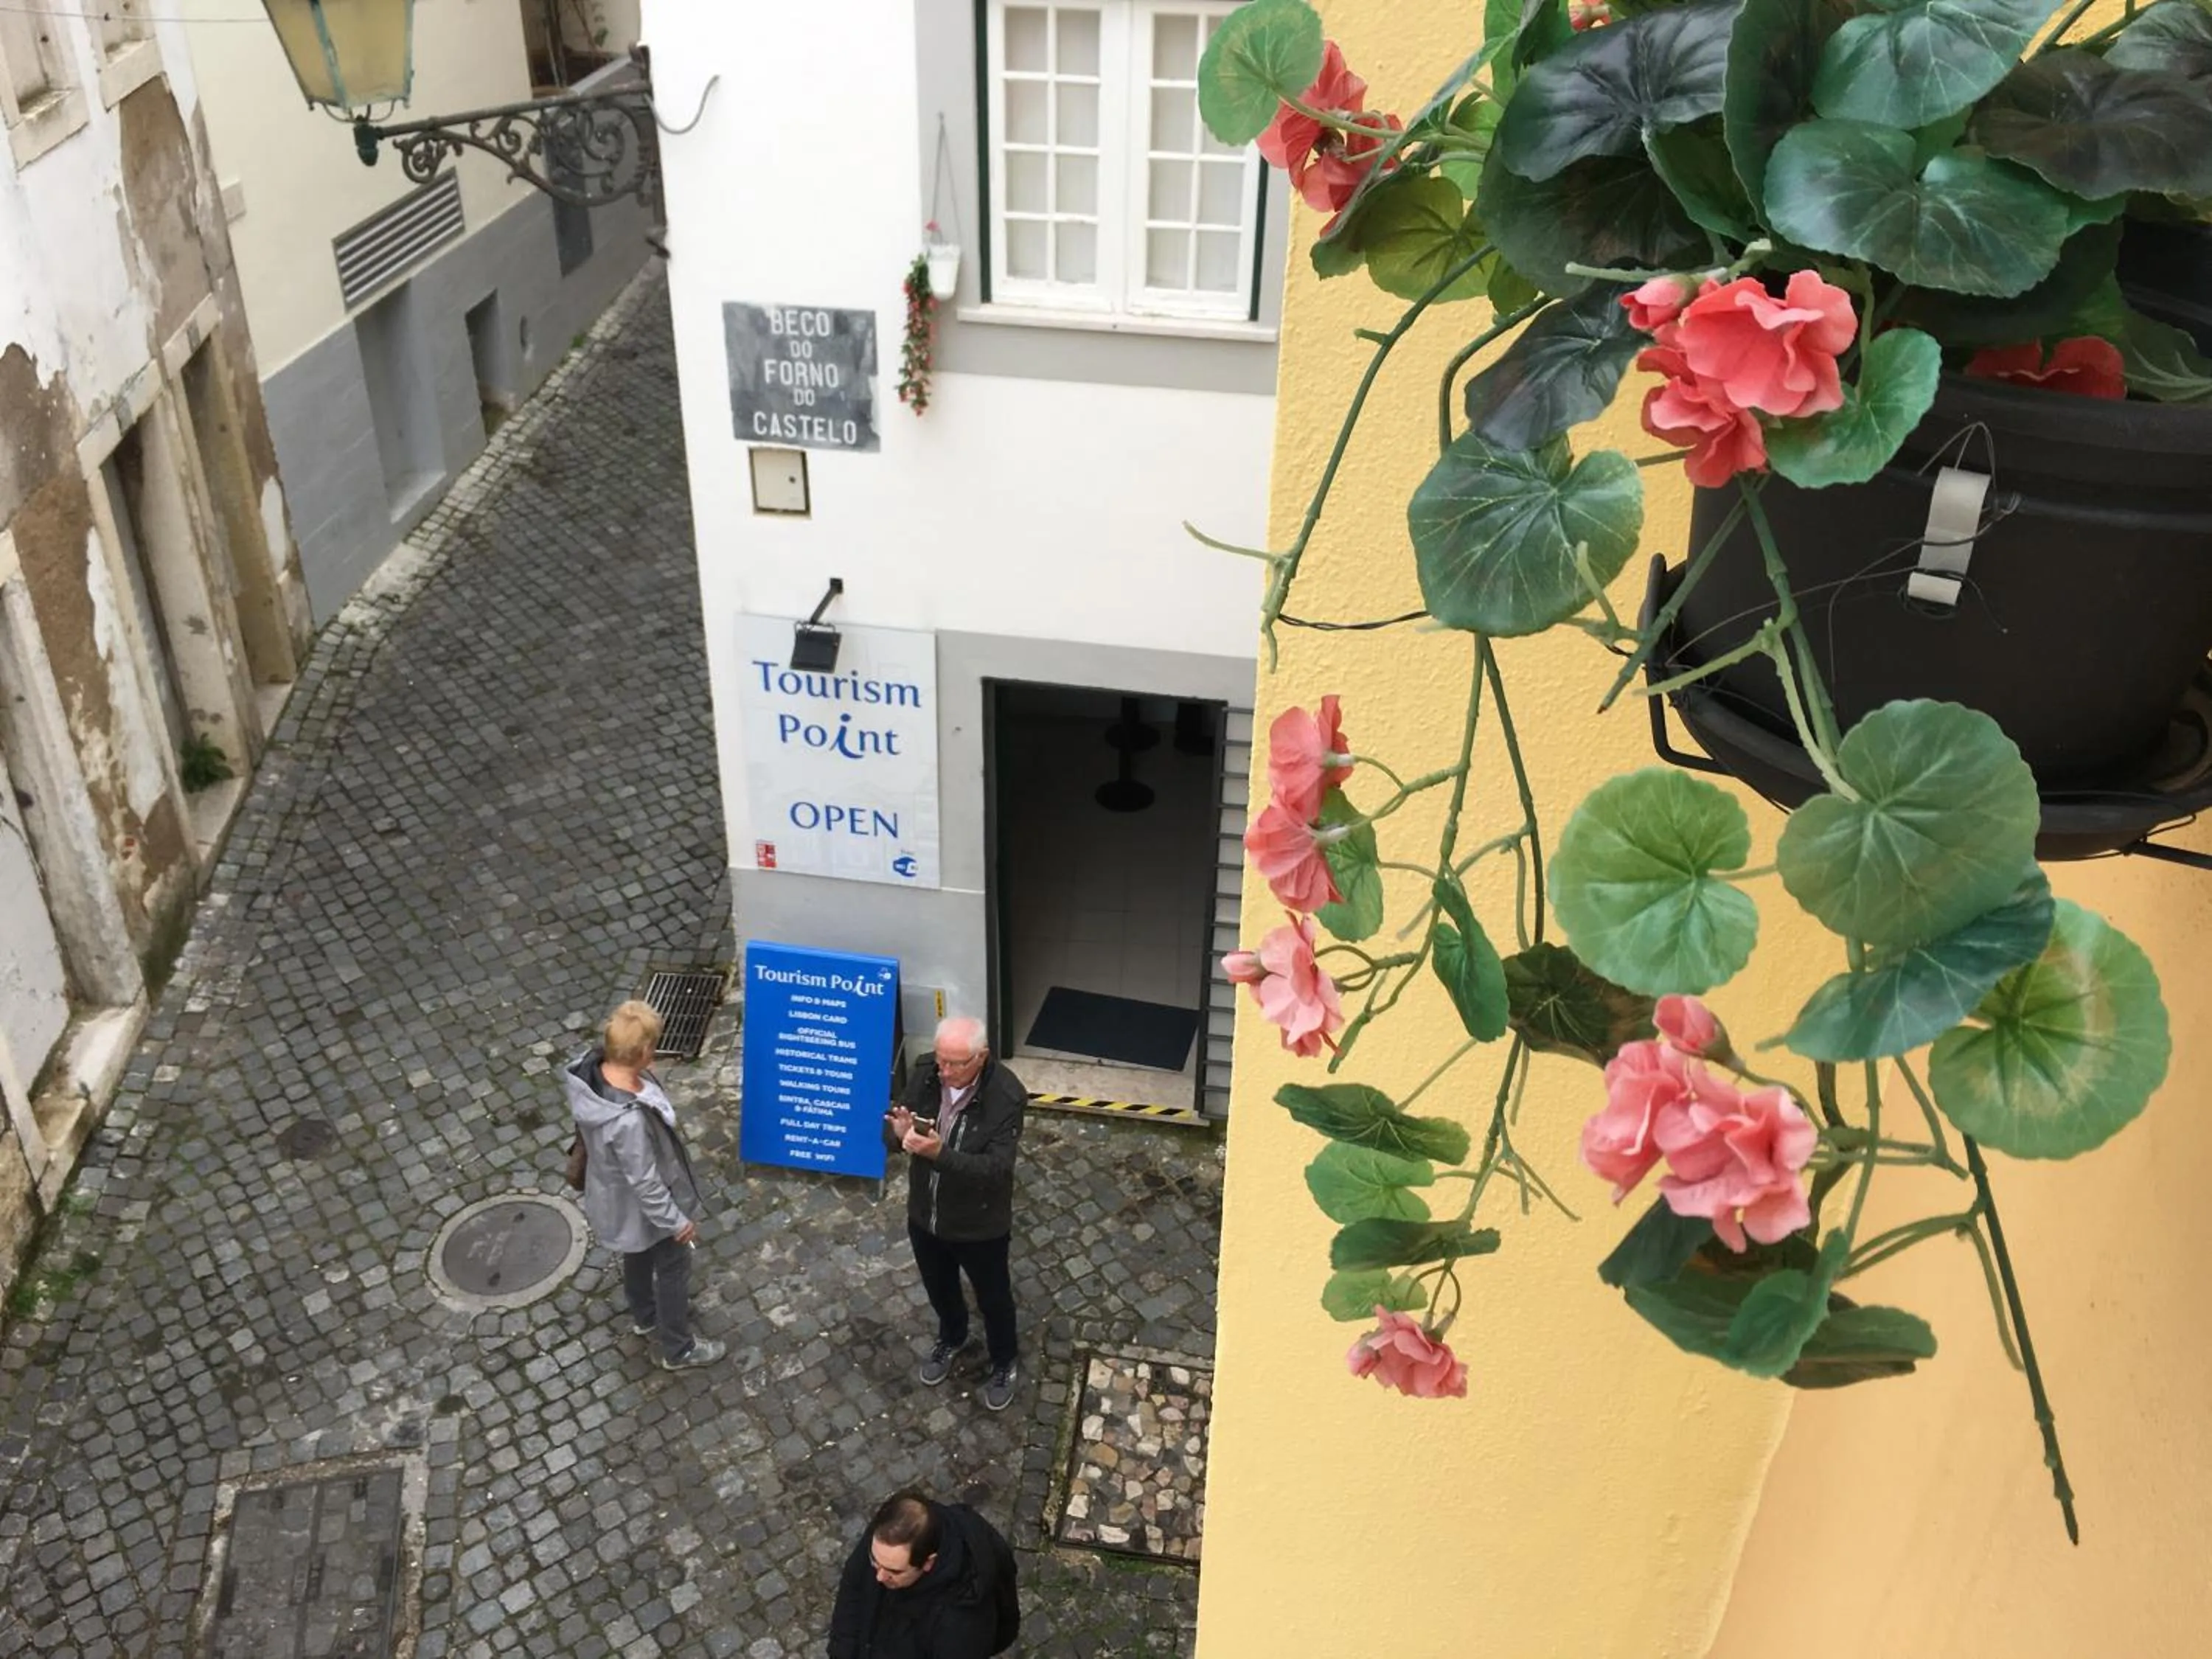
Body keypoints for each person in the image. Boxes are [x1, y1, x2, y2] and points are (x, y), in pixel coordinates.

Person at [563, 999, 723, 1370]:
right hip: (647, 1206)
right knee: (673, 1266)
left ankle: (646, 1314)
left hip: (619, 1202)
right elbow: (647, 1183)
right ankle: (678, 1348)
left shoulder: (594, 1076)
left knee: (637, 1251)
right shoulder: (628, 1122)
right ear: (643, 1053)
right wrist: (677, 1222)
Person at [885, 1015, 1026, 1411]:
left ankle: (1004, 1361)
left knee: (994, 1299)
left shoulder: (1007, 1097)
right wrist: (898, 1137)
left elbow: (996, 1172)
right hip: (926, 1215)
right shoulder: (927, 1070)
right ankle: (952, 1336)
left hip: (980, 1225)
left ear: (981, 1057)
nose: (944, 1072)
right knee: (939, 1286)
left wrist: (940, 1155)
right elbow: (894, 1130)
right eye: (942, 1061)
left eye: (955, 1064)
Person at [826, 1491, 1019, 1659]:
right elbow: (854, 1583)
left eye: (895, 1571)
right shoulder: (892, 1532)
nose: (879, 1577)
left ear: (928, 1562)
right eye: (875, 1561)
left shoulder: (961, 1627)